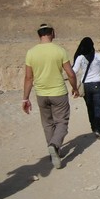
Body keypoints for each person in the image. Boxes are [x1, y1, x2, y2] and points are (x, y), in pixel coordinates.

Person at [22, 24, 79, 169]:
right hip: (58, 92)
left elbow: (28, 78)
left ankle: (53, 152)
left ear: (39, 35)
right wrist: (74, 88)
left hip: (41, 94)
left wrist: (25, 98)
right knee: (62, 122)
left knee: (47, 123)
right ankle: (54, 145)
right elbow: (70, 73)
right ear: (52, 33)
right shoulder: (59, 50)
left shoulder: (31, 52)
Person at [73, 37, 100, 138]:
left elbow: (73, 71)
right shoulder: (98, 55)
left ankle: (93, 126)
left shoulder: (80, 57)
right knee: (98, 107)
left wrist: (74, 86)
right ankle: (98, 129)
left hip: (86, 86)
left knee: (90, 107)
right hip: (97, 85)